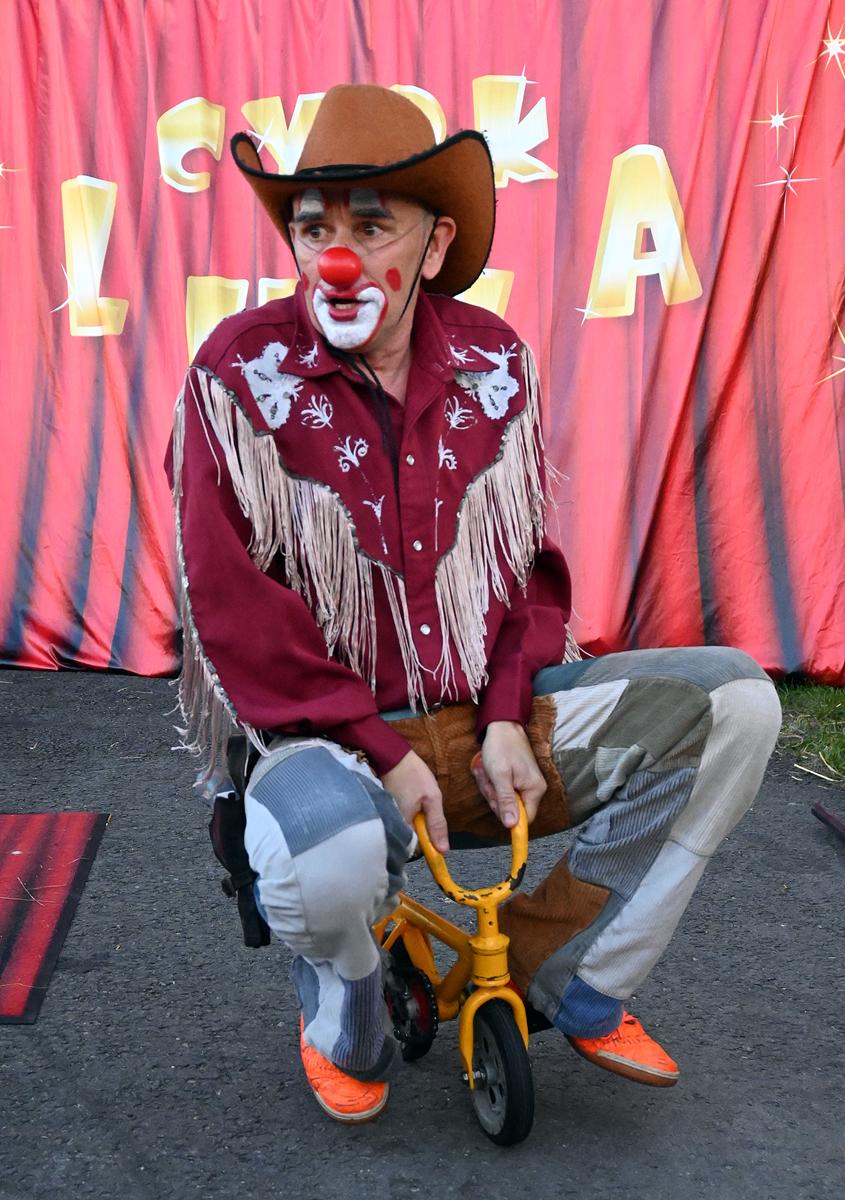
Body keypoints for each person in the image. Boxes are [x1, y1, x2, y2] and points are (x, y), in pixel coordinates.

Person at [168, 85, 781, 1124]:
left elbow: (523, 574)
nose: (336, 256)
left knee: (734, 705)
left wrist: (504, 716)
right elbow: (227, 610)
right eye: (313, 228)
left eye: (372, 226)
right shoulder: (235, 373)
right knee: (321, 861)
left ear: (436, 240)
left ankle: (570, 973)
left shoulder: (496, 361)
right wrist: (380, 746)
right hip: (327, 748)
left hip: (485, 722)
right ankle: (347, 1015)